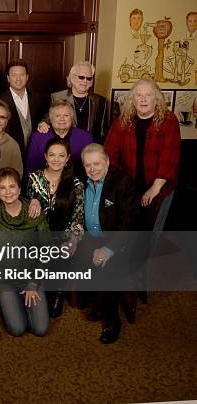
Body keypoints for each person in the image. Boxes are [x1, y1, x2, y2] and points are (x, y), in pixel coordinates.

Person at [79, 143, 143, 344]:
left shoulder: (122, 182)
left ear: (107, 161)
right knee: (71, 256)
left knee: (108, 267)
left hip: (119, 240)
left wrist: (108, 249)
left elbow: (130, 222)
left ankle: (112, 321)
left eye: (97, 163)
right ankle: (97, 303)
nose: (92, 169)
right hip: (91, 237)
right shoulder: (83, 181)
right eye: (88, 165)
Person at [104, 78, 180, 231]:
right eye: (138, 95)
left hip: (159, 184)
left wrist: (155, 188)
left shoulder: (169, 120)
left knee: (152, 228)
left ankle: (149, 255)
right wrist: (118, 184)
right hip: (129, 184)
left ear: (156, 99)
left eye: (148, 95)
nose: (143, 99)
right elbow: (109, 153)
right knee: (129, 225)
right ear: (133, 99)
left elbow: (170, 157)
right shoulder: (123, 121)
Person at [0, 167, 49, 337]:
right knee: (17, 329)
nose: (8, 192)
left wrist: (33, 283)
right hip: (5, 280)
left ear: (19, 189)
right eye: (2, 187)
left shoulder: (33, 211)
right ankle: (12, 301)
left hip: (32, 277)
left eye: (12, 187)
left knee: (40, 329)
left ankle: (28, 298)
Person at [27, 137, 84, 317]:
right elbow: (26, 209)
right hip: (39, 234)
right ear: (45, 156)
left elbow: (78, 218)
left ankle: (58, 291)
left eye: (61, 155)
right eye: (52, 155)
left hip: (64, 235)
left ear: (68, 158)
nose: (56, 159)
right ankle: (37, 285)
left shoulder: (76, 184)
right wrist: (33, 200)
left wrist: (74, 241)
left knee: (64, 250)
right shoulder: (34, 179)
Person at [41, 61, 109, 143]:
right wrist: (42, 124)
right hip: (64, 148)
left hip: (89, 150)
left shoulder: (101, 101)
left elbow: (102, 133)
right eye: (81, 77)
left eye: (89, 78)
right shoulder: (56, 97)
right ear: (72, 77)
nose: (85, 81)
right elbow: (46, 121)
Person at [0, 59, 50, 156]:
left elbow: (48, 115)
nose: (18, 79)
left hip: (36, 152)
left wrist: (43, 122)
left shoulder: (39, 98)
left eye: (22, 75)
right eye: (14, 75)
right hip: (10, 152)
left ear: (27, 77)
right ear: (8, 78)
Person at [26, 99, 93, 176]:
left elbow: (91, 166)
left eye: (66, 115)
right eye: (57, 116)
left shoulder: (85, 137)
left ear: (71, 118)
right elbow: (30, 167)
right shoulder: (38, 137)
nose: (62, 119)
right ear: (50, 119)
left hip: (77, 182)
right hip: (44, 183)